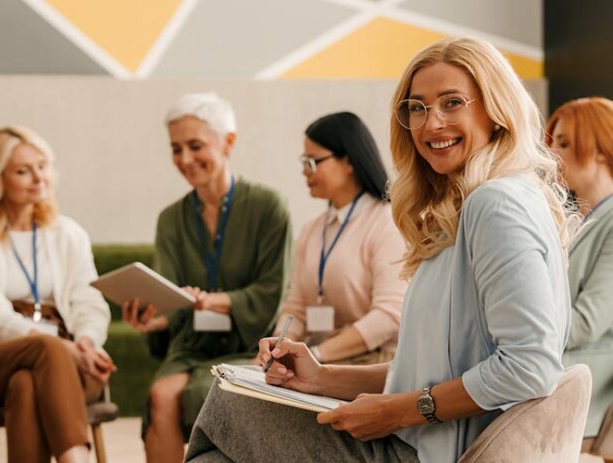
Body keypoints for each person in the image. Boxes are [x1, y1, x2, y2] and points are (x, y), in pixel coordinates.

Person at [185, 37, 572, 463]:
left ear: (495, 110)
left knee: (226, 402)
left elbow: (528, 367)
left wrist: (398, 411)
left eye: (452, 102)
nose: (430, 123)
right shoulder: (471, 207)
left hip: (428, 450)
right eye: (417, 108)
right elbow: (431, 371)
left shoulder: (495, 204)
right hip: (423, 438)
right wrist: (319, 377)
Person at [122, 92, 292, 463]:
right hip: (191, 346)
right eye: (176, 148)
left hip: (250, 343)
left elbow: (270, 292)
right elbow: (171, 300)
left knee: (217, 391)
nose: (184, 159)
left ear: (228, 142)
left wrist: (211, 300)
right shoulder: (171, 219)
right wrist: (151, 320)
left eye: (195, 146)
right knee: (162, 396)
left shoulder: (268, 207)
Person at [0, 126, 115, 463]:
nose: (38, 178)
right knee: (45, 348)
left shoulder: (69, 233)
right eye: (23, 171)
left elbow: (90, 301)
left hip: (67, 362)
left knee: (25, 385)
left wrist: (85, 341)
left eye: (42, 166)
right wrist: (60, 346)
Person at [273, 112, 406, 365]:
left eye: (312, 162)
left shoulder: (387, 223)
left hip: (373, 363)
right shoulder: (313, 230)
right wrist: (277, 348)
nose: (305, 172)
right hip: (320, 360)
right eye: (304, 162)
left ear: (349, 161)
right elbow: (296, 309)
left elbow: (389, 316)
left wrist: (318, 355)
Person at [548, 97, 613, 444]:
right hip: (559, 387)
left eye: (565, 144)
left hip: (585, 404)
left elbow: (587, 323)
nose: (553, 155)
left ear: (602, 150)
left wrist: (521, 331)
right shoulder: (583, 220)